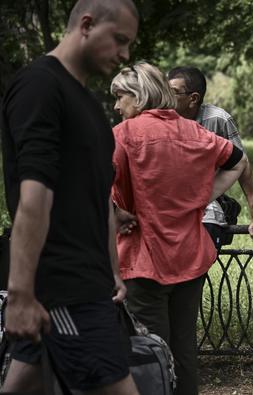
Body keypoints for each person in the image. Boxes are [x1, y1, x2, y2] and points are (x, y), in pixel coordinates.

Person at [0, 0, 140, 394]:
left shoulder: (89, 106)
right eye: (119, 40)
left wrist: (112, 270)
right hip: (65, 288)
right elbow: (34, 198)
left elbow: (93, 201)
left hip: (89, 281)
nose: (126, 53)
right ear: (86, 24)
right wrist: (22, 294)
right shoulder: (41, 86)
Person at [110, 61, 248, 395]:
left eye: (120, 96)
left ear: (140, 97)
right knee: (184, 351)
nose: (116, 105)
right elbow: (238, 161)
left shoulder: (122, 135)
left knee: (151, 352)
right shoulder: (194, 131)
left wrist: (115, 213)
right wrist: (202, 198)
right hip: (190, 257)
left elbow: (95, 192)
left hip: (144, 262)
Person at [167, 67, 253, 249]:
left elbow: (243, 167)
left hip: (206, 196)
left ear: (193, 98)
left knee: (208, 227)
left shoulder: (218, 120)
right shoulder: (161, 119)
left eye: (173, 93)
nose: (165, 98)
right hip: (168, 197)